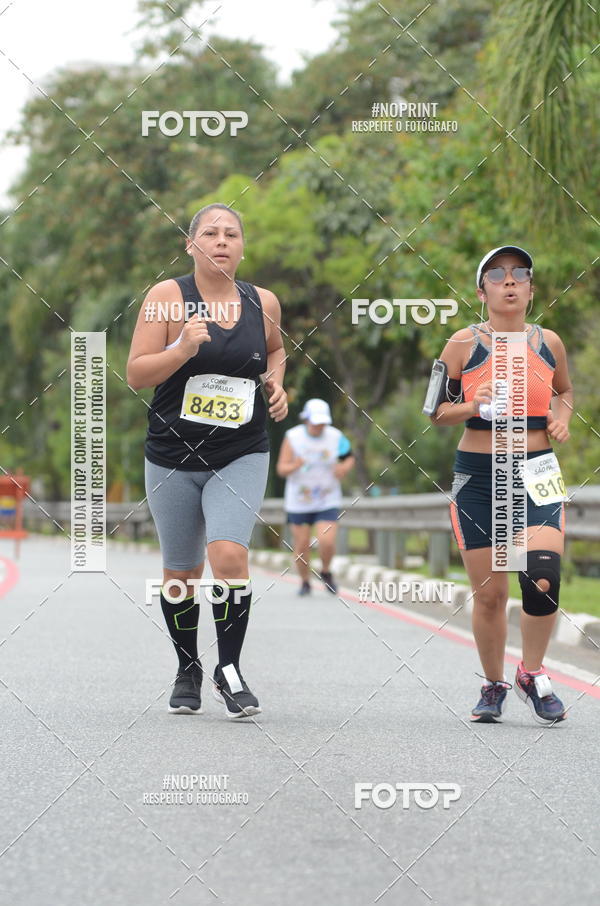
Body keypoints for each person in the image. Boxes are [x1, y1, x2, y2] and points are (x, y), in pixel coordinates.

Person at [127, 202, 287, 718]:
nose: (222, 241)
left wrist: (277, 383)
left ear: (242, 247)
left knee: (229, 555)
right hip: (172, 454)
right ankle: (187, 668)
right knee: (181, 573)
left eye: (232, 234)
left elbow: (276, 349)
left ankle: (229, 669)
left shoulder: (263, 302)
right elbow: (136, 373)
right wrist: (181, 349)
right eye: (211, 233)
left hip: (240, 452)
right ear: (190, 244)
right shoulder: (166, 298)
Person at [429, 246, 572, 725]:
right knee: (490, 594)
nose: (509, 281)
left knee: (543, 573)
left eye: (519, 274)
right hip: (479, 474)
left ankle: (531, 672)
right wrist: (473, 404)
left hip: (536, 470)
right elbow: (435, 412)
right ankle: (493, 684)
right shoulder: (462, 344)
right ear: (481, 291)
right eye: (497, 274)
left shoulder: (549, 342)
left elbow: (564, 391)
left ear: (531, 290)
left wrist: (561, 417)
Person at [276, 398, 355, 596]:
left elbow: (349, 458)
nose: (318, 427)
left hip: (327, 499)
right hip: (299, 502)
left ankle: (326, 571)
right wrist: (295, 465)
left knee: (326, 541)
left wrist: (343, 469)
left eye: (322, 423)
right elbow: (281, 468)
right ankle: (305, 582)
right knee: (302, 545)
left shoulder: (335, 437)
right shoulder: (293, 437)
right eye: (315, 422)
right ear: (306, 419)